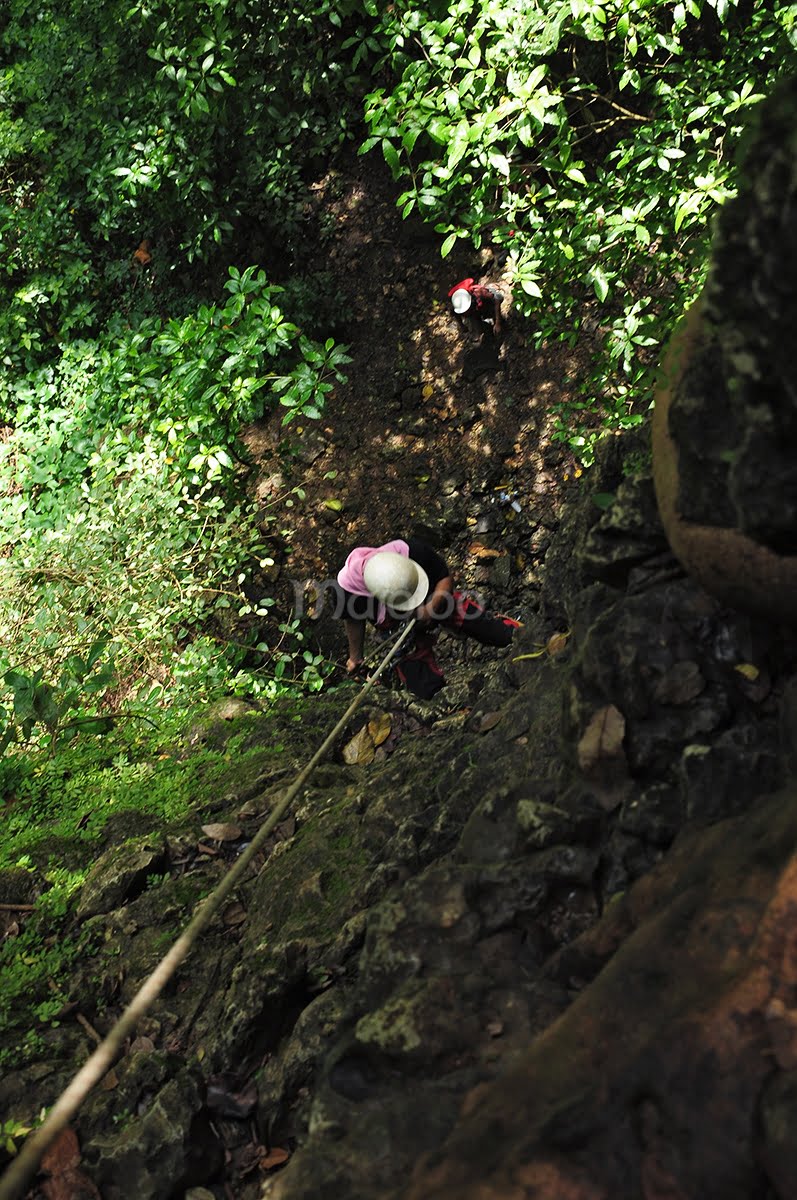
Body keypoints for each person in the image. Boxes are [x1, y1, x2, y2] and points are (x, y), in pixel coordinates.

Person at [333, 538, 518, 699]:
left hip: (432, 598)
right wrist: (355, 657)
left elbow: (443, 576)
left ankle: (514, 634)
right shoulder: (347, 591)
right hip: (399, 629)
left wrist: (430, 608)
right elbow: (353, 619)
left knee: (479, 621)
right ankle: (438, 698)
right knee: (425, 688)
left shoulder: (411, 551)